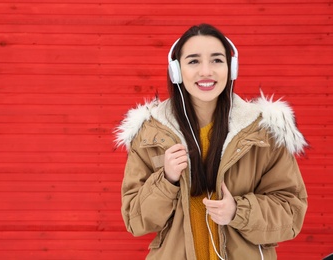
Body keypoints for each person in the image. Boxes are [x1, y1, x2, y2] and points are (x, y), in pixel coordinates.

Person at [114, 23, 308, 260]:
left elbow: (291, 212)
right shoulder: (150, 135)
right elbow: (136, 221)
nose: (206, 71)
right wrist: (166, 180)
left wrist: (238, 212)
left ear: (231, 68)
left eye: (217, 60)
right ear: (176, 70)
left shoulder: (263, 133)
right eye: (193, 61)